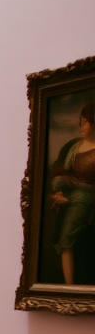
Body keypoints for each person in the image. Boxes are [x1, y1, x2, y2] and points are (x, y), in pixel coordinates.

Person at [49, 101, 95, 285]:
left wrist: (73, 197)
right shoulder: (74, 146)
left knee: (66, 240)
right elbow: (62, 172)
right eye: (80, 122)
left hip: (87, 199)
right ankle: (68, 288)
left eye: (84, 122)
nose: (80, 126)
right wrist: (60, 193)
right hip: (67, 192)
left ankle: (71, 288)